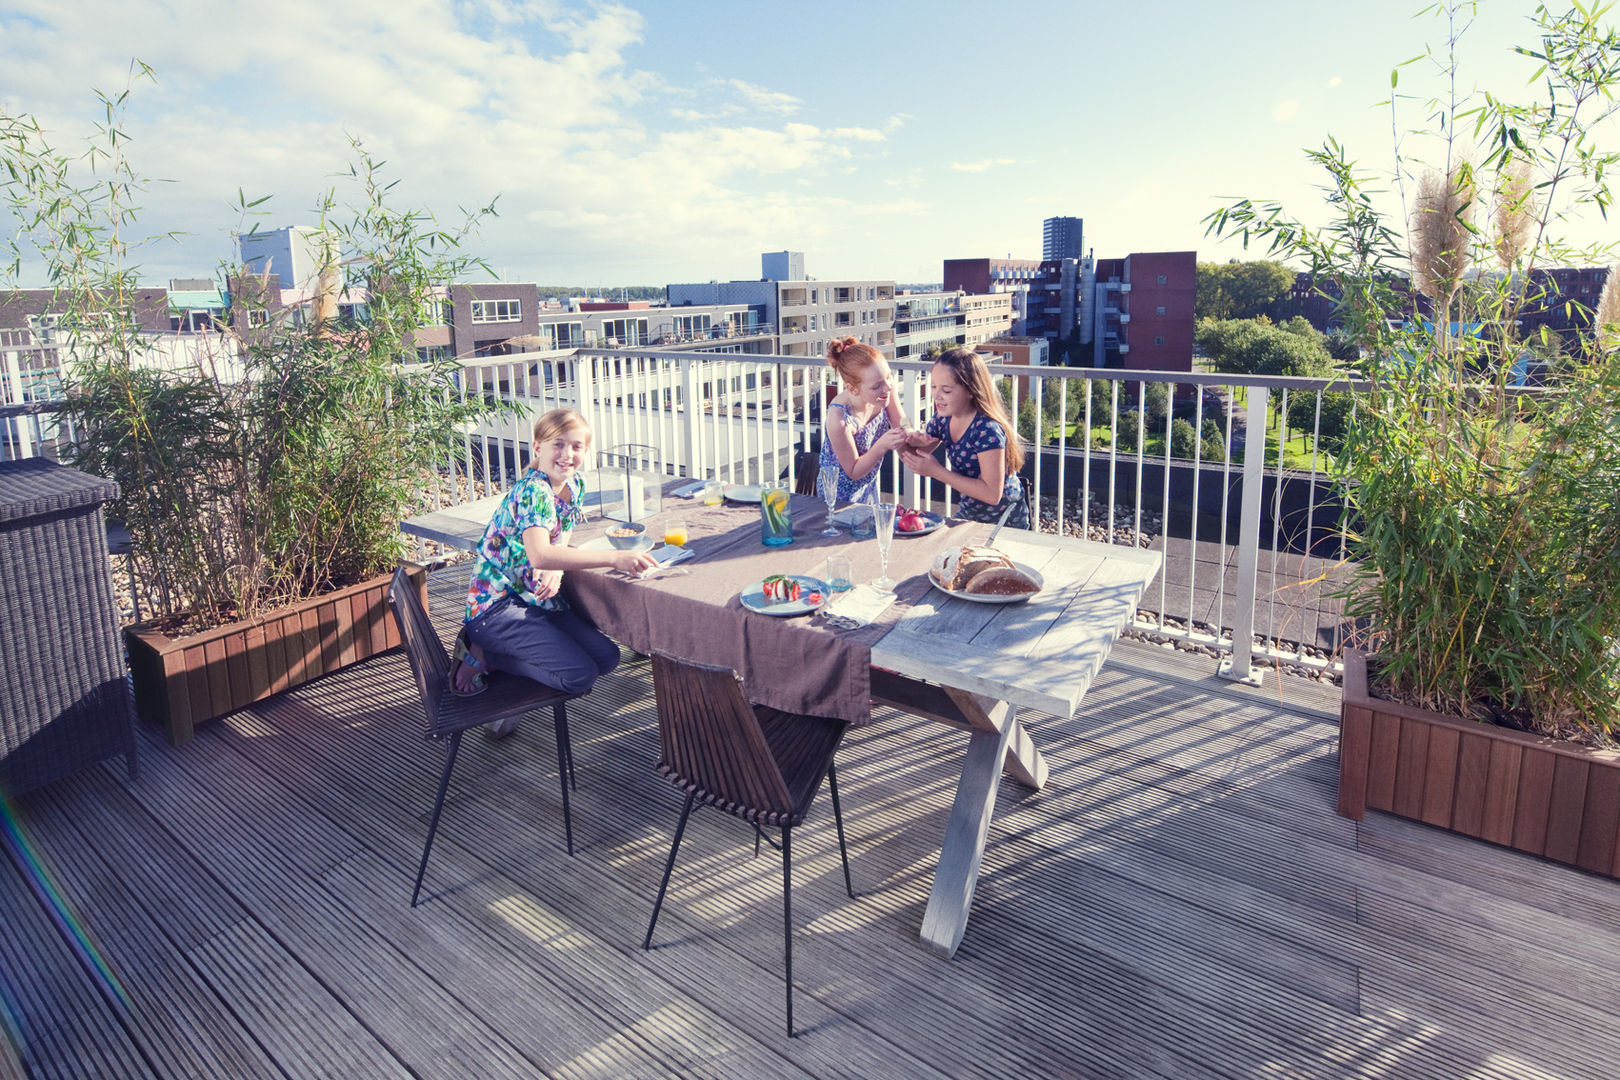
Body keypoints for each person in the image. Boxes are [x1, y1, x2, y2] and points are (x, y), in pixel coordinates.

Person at [452, 409, 655, 735]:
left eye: (576, 447)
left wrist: (557, 571)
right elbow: (541, 554)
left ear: (585, 451)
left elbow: (560, 539)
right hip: (498, 607)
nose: (567, 455)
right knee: (579, 676)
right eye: (557, 445)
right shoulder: (534, 491)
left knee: (606, 657)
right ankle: (487, 653)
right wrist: (614, 559)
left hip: (535, 599)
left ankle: (505, 649)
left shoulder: (574, 484)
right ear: (537, 448)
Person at [899, 348, 1030, 529]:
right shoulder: (942, 418)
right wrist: (907, 441)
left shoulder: (987, 430)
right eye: (934, 386)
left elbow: (992, 494)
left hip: (1005, 521)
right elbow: (915, 458)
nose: (936, 395)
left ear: (970, 391)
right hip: (970, 514)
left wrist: (937, 471)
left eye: (946, 390)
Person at [817, 336, 911, 506]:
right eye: (876, 386)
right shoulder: (839, 418)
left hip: (868, 489)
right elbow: (853, 471)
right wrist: (882, 445)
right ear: (853, 389)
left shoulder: (886, 391)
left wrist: (910, 430)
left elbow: (901, 422)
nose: (888, 386)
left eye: (888, 377)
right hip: (836, 498)